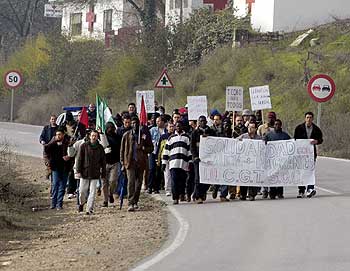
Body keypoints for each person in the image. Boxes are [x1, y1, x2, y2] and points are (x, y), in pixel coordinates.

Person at [120, 117, 153, 212]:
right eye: (133, 123)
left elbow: (151, 148)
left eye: (136, 123)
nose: (134, 125)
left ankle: (135, 201)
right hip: (130, 163)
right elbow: (122, 150)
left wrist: (144, 148)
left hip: (141, 162)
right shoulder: (126, 135)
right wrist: (122, 162)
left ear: (139, 124)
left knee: (138, 184)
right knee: (131, 182)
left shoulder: (144, 135)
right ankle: (130, 202)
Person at [76, 130, 106, 214]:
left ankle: (89, 209)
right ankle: (81, 203)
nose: (94, 137)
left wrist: (103, 173)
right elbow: (79, 159)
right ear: (89, 136)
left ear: (97, 137)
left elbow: (103, 162)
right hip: (84, 172)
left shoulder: (100, 148)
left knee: (92, 192)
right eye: (92, 135)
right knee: (82, 191)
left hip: (95, 173)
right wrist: (78, 170)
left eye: (95, 136)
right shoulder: (84, 146)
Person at [294, 111, 323, 198]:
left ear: (312, 119)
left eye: (310, 117)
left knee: (310, 171)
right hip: (301, 154)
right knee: (301, 172)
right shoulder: (299, 128)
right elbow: (295, 139)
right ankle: (301, 190)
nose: (309, 119)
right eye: (307, 117)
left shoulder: (316, 129)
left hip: (311, 154)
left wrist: (317, 141)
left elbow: (321, 139)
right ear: (305, 118)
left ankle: (310, 189)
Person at [162, 121, 192, 204]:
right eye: (177, 126)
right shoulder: (171, 138)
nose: (178, 127)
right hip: (173, 163)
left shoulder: (186, 138)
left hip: (183, 163)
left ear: (182, 127)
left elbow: (189, 151)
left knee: (182, 180)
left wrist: (190, 161)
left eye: (180, 126)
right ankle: (175, 197)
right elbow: (166, 151)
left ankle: (182, 194)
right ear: (175, 127)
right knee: (174, 180)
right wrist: (164, 163)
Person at [44, 127, 72, 210]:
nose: (58, 136)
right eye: (57, 135)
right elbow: (46, 150)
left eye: (60, 134)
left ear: (63, 135)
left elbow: (72, 154)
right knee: (55, 185)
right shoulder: (53, 144)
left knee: (62, 187)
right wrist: (53, 141)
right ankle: (53, 203)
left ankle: (59, 204)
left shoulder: (67, 144)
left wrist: (68, 157)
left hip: (65, 168)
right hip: (55, 168)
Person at [191, 115, 215, 203]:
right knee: (198, 178)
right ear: (198, 122)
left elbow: (215, 144)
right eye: (200, 121)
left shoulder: (211, 131)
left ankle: (202, 192)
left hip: (208, 159)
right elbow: (192, 146)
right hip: (198, 159)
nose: (202, 122)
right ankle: (198, 197)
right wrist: (195, 156)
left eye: (204, 121)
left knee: (208, 178)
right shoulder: (194, 133)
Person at [265, 119, 291, 199]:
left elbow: (291, 144)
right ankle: (272, 193)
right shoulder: (269, 135)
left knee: (280, 176)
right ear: (274, 125)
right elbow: (264, 144)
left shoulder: (285, 135)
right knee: (273, 176)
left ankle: (280, 193)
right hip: (272, 160)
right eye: (275, 124)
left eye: (278, 124)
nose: (277, 126)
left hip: (282, 160)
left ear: (281, 125)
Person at [238, 122, 262, 201]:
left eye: (253, 127)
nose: (251, 129)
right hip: (244, 161)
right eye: (250, 127)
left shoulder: (259, 138)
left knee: (253, 178)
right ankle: (243, 194)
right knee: (244, 178)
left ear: (255, 129)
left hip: (254, 162)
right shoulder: (243, 136)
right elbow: (234, 142)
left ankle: (252, 195)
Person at [100, 122, 121, 207]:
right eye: (109, 128)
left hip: (115, 162)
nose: (110, 129)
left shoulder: (117, 137)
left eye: (112, 128)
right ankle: (105, 200)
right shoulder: (102, 137)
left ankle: (110, 193)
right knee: (104, 182)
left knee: (113, 181)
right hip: (104, 163)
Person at [210, 114, 229, 202]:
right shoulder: (210, 129)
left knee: (224, 173)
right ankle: (215, 187)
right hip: (214, 155)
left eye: (217, 119)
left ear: (220, 120)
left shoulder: (225, 129)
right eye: (214, 119)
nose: (215, 121)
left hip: (224, 154)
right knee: (216, 173)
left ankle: (223, 195)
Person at [148, 116, 167, 194]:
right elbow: (148, 140)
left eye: (159, 121)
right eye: (156, 121)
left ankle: (156, 187)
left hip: (162, 153)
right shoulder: (152, 130)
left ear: (163, 122)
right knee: (152, 169)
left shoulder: (166, 130)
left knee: (159, 170)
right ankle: (150, 186)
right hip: (153, 152)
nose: (157, 122)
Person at [157, 121, 175, 196]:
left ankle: (174, 189)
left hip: (174, 157)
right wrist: (157, 159)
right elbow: (159, 148)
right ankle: (168, 189)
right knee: (167, 175)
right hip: (165, 158)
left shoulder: (176, 136)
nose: (171, 128)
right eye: (170, 126)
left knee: (174, 174)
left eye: (172, 126)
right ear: (167, 127)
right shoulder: (163, 137)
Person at [39, 115, 58, 182]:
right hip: (47, 149)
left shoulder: (58, 128)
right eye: (52, 119)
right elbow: (41, 137)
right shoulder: (46, 128)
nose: (53, 121)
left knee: (54, 165)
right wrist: (42, 141)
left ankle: (53, 179)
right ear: (50, 120)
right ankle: (48, 173)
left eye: (54, 119)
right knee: (48, 163)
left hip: (55, 150)